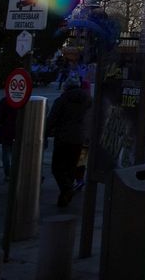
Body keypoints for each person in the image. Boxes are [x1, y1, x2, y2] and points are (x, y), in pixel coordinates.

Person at [45, 78, 92, 208]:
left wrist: (44, 134)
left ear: (66, 88)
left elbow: (52, 119)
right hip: (83, 139)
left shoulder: (62, 100)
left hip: (64, 138)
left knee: (57, 168)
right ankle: (65, 196)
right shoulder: (88, 100)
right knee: (72, 167)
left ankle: (66, 190)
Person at [0, 95, 19, 182]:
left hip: (6, 129)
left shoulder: (5, 100)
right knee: (17, 153)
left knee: (6, 153)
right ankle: (17, 171)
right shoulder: (23, 100)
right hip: (19, 129)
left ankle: (8, 173)